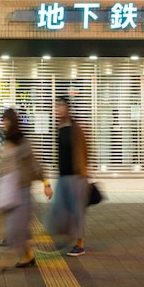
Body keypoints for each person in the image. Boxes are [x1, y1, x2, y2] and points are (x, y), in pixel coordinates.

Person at [0, 107, 47, 270]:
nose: (4, 124)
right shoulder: (6, 139)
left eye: (6, 121)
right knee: (18, 226)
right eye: (3, 121)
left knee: (15, 226)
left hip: (22, 190)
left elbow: (34, 164)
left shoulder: (23, 142)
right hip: (10, 189)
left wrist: (46, 184)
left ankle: (4, 260)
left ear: (13, 122)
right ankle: (29, 256)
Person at [44, 95, 90, 257]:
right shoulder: (60, 127)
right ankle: (61, 239)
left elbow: (84, 150)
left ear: (68, 109)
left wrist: (84, 171)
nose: (58, 109)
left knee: (76, 211)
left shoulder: (75, 128)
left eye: (61, 106)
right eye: (57, 107)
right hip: (63, 175)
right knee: (59, 209)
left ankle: (79, 244)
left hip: (76, 176)